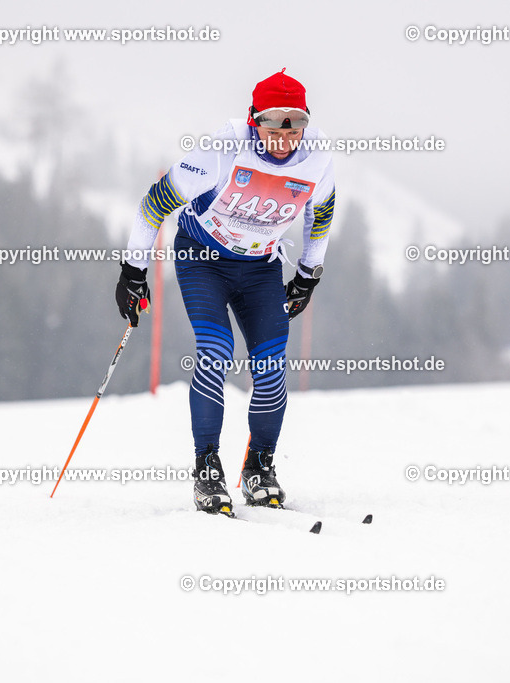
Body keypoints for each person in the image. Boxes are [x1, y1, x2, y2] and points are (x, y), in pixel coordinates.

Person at [115, 69, 336, 515]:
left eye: (296, 122)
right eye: (275, 121)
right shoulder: (223, 149)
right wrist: (133, 270)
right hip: (203, 259)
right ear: (255, 119)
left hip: (260, 269)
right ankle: (207, 468)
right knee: (216, 349)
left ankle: (258, 466)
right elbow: (154, 203)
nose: (285, 134)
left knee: (272, 363)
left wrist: (309, 273)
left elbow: (323, 212)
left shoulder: (317, 157)